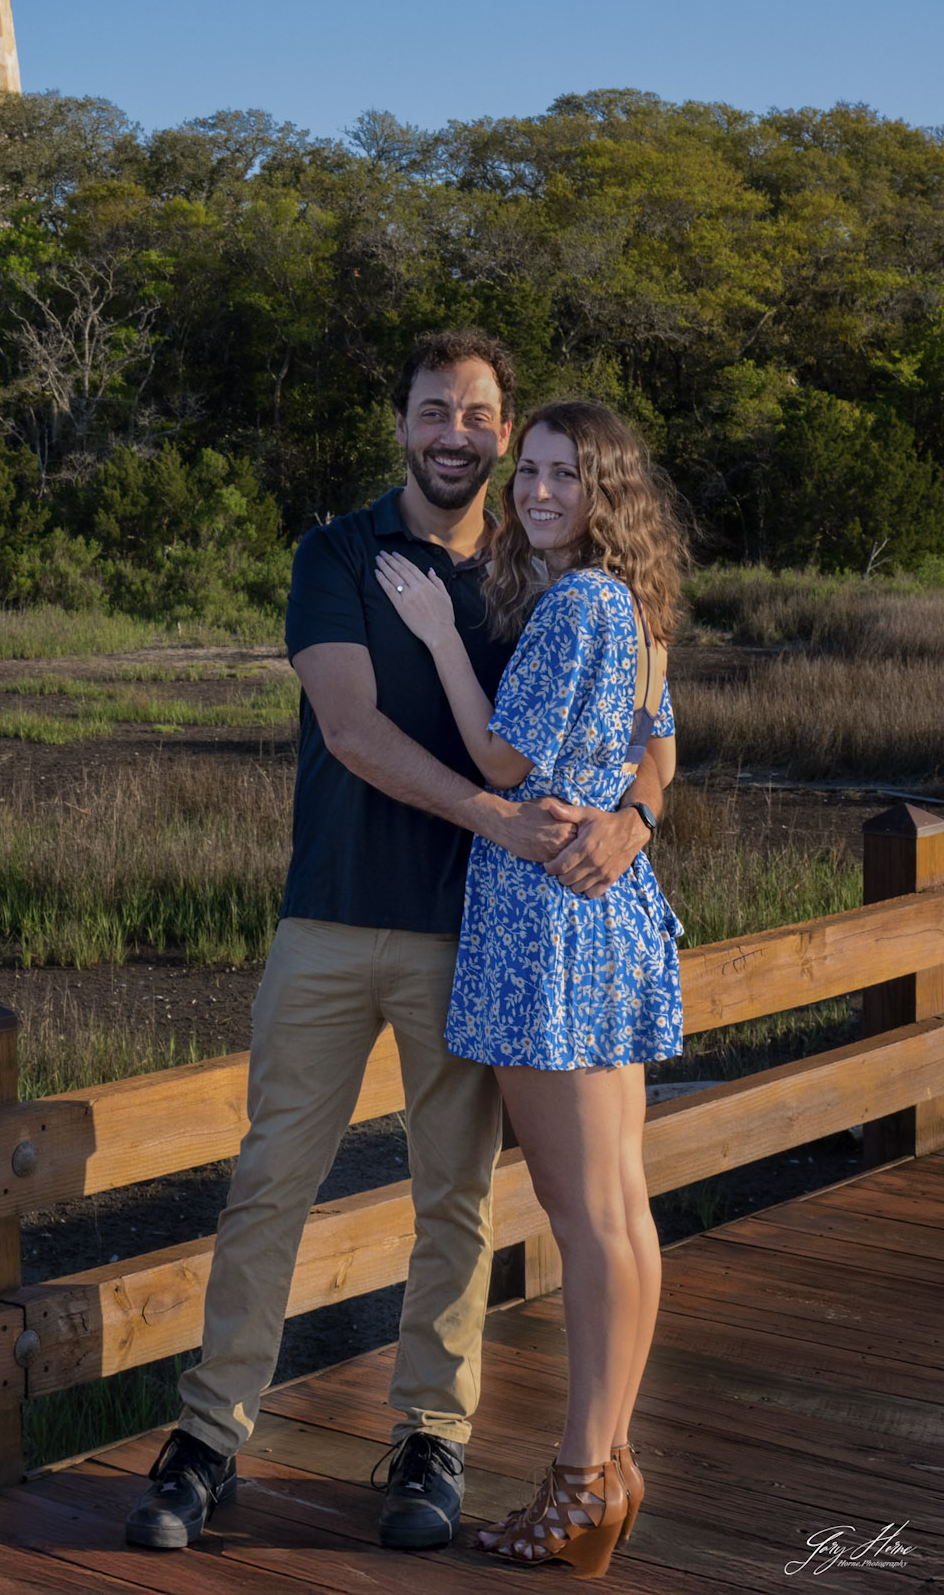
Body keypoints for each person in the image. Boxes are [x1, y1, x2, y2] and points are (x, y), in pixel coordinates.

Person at [124, 335, 667, 1555]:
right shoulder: (337, 553)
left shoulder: (541, 577)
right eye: (437, 410)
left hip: (466, 936)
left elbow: (649, 719)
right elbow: (353, 727)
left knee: (456, 1201)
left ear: (511, 432)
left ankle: (431, 1436)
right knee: (271, 1181)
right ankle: (208, 1439)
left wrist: (633, 818)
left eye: (482, 416)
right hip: (325, 915)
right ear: (403, 422)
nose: (460, 436)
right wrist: (496, 814)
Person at [374, 397, 686, 1578]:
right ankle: (606, 1465)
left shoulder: (572, 605)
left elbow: (500, 763)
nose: (539, 491)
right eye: (533, 471)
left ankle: (575, 1481)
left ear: (605, 490)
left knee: (584, 1215)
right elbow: (659, 740)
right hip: (603, 915)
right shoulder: (637, 606)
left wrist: (438, 634)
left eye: (566, 473)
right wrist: (636, 816)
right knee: (621, 1208)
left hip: (541, 923)